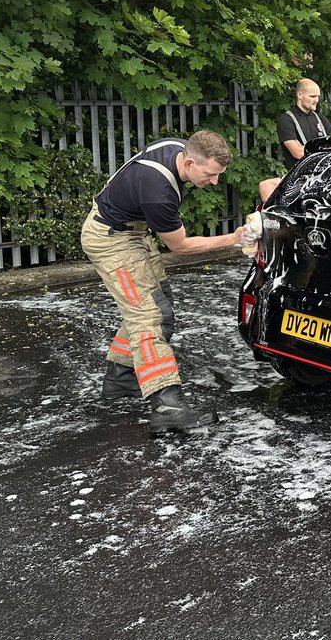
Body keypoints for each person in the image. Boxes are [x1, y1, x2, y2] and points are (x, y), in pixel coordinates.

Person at [80, 130, 249, 434]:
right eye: (210, 174)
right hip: (111, 241)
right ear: (188, 163)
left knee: (161, 306)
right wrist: (233, 239)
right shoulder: (158, 191)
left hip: (131, 232)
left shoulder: (175, 148)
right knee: (148, 317)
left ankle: (121, 379)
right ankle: (167, 406)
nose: (214, 182)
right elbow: (180, 246)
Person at [275, 79, 331, 168]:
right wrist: (321, 148)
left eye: (317, 96)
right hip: (299, 176)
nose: (316, 100)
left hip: (322, 173)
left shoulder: (321, 119)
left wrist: (305, 148)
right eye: (312, 96)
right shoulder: (286, 120)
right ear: (300, 95)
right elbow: (298, 153)